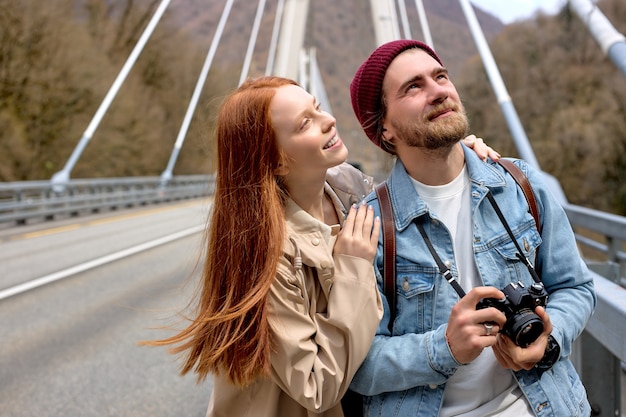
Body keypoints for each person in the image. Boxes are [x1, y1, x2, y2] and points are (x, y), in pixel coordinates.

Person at [144, 76, 498, 417]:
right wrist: (354, 268)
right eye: (304, 124)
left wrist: (452, 154)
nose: (328, 120)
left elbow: (410, 198)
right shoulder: (266, 254)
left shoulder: (350, 188)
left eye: (317, 108)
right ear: (277, 160)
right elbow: (317, 387)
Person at [348, 40, 596, 417]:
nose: (439, 91)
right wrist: (445, 347)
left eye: (441, 76)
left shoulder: (520, 184)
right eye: (413, 86)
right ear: (384, 128)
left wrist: (549, 338)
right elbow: (358, 366)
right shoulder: (369, 228)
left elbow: (575, 287)